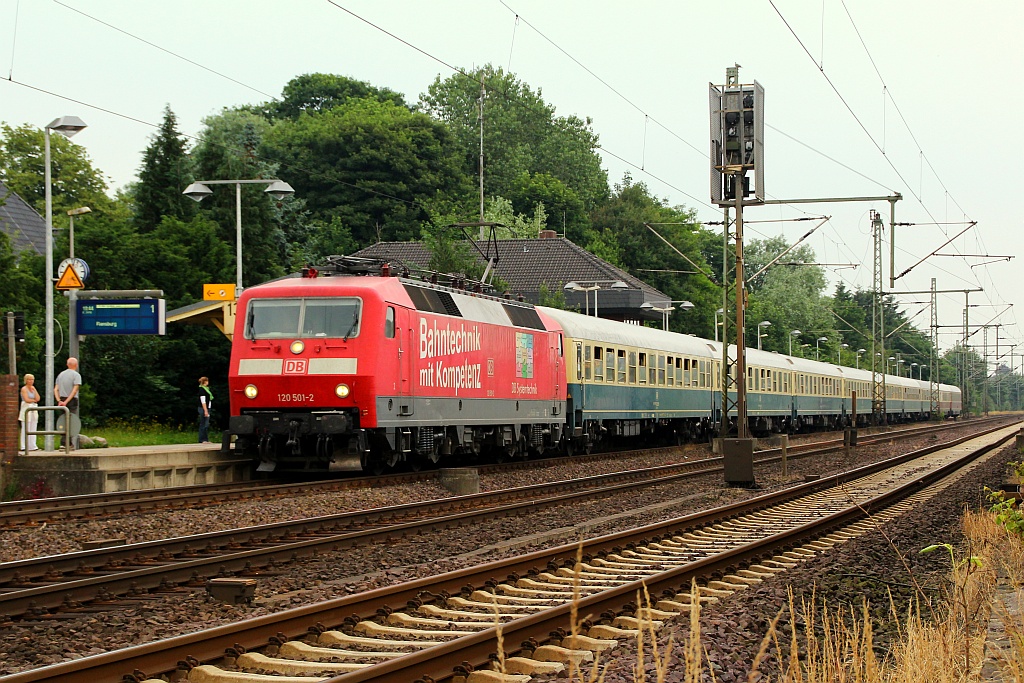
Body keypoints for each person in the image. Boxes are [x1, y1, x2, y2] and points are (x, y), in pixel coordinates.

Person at [54, 357, 82, 450]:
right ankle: (68, 443)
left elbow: (56, 389)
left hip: (61, 399)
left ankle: (63, 443)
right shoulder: (76, 375)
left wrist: (59, 400)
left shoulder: (61, 374)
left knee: (63, 420)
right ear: (76, 365)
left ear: (67, 364)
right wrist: (67, 402)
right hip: (71, 400)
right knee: (71, 421)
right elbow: (74, 390)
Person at [18, 374, 40, 451]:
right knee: (26, 427)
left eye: (32, 379)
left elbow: (38, 398)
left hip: (33, 408)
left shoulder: (33, 388)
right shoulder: (24, 389)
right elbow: (26, 399)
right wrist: (33, 400)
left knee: (33, 427)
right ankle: (24, 445)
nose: (31, 381)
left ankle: (32, 445)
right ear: (26, 380)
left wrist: (34, 391)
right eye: (29, 379)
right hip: (26, 408)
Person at [198, 376, 213, 443]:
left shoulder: (206, 389)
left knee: (206, 424)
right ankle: (202, 439)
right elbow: (203, 401)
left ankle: (206, 439)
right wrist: (206, 410)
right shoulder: (202, 390)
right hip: (203, 408)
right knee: (203, 424)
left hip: (207, 408)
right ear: (205, 382)